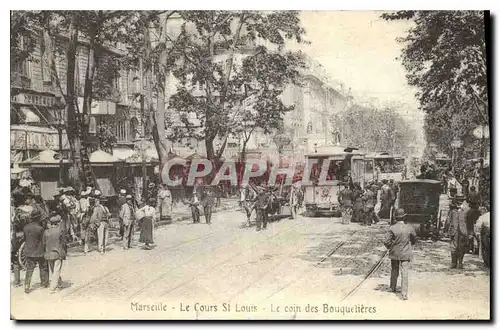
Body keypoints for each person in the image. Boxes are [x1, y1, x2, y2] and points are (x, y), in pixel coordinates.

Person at [383, 208, 417, 300]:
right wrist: (409, 245)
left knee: (394, 269)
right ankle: (404, 293)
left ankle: (392, 287)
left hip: (395, 252)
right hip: (406, 253)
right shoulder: (409, 227)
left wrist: (391, 247)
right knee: (405, 272)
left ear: (395, 217)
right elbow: (414, 238)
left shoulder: (392, 228)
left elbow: (386, 241)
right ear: (404, 217)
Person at [23, 207, 49, 294]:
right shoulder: (40, 228)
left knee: (29, 269)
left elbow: (25, 239)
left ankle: (27, 286)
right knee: (43, 267)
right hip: (39, 251)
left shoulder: (25, 227)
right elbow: (43, 241)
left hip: (28, 251)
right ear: (38, 218)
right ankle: (44, 283)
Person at [43, 212, 67, 293]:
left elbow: (44, 243)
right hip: (58, 253)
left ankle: (59, 283)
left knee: (54, 270)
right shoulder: (60, 231)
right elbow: (64, 242)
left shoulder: (46, 232)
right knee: (56, 271)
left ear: (50, 223)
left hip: (49, 254)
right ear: (57, 223)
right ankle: (52, 288)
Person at [448, 195, 468, 269]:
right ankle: (453, 263)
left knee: (462, 248)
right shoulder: (452, 211)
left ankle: (460, 263)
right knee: (453, 247)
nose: (459, 202)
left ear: (463, 201)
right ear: (456, 201)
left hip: (463, 232)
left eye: (461, 200)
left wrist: (469, 232)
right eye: (458, 200)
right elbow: (449, 221)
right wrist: (447, 230)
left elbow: (469, 222)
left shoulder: (466, 210)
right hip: (454, 231)